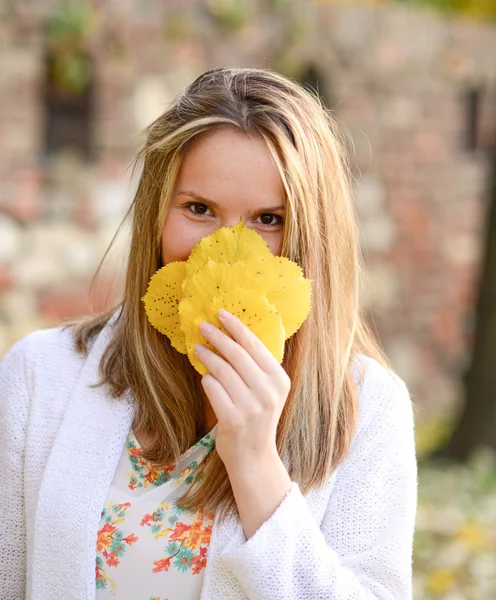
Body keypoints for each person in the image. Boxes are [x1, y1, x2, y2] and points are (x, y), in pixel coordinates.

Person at [0, 67, 418, 600]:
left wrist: (256, 465)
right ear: (155, 215)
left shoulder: (368, 408)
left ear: (313, 239)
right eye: (199, 209)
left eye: (269, 219)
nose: (226, 250)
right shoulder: (39, 376)